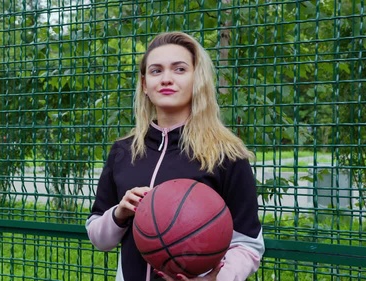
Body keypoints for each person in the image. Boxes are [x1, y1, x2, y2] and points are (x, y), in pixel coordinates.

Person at [85, 31, 265, 281]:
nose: (166, 79)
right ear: (145, 84)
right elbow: (97, 236)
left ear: (197, 79)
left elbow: (248, 245)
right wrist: (119, 213)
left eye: (179, 69)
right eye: (156, 71)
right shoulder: (123, 151)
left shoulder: (226, 154)